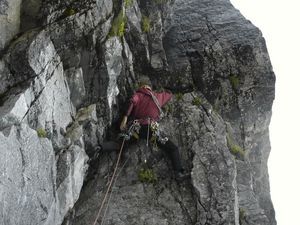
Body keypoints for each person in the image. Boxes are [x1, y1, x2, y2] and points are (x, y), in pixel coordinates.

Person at [119, 76, 190, 181]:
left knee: (122, 142)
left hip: (136, 129)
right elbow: (169, 94)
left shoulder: (137, 95)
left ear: (141, 86)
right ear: (149, 87)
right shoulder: (157, 97)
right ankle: (178, 173)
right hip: (150, 130)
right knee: (173, 148)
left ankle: (103, 147)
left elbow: (132, 101)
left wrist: (125, 118)